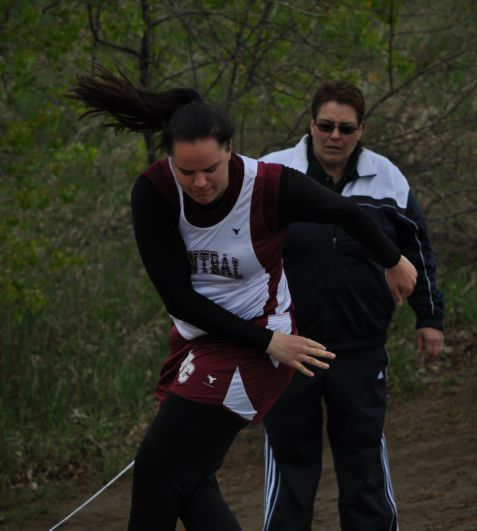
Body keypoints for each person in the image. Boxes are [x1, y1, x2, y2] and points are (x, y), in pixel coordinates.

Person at [68, 67, 418, 531]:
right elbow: (179, 298)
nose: (200, 183)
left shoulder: (269, 185)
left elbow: (344, 213)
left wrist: (393, 259)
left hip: (259, 349)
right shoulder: (153, 193)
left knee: (156, 468)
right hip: (208, 340)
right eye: (186, 171)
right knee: (188, 477)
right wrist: (265, 341)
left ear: (231, 150)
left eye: (210, 169)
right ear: (168, 159)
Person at [260, 80, 445, 530]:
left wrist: (430, 316)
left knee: (363, 459)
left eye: (345, 127)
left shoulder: (387, 177)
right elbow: (243, 247)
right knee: (290, 465)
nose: (334, 136)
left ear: (361, 130)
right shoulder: (272, 172)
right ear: (311, 124)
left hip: (360, 345)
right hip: (291, 345)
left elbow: (415, 247)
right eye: (326, 125)